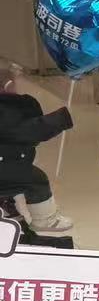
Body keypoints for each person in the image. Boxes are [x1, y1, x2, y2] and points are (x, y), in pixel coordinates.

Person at [0, 59, 74, 236]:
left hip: (7, 162)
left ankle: (6, 206)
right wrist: (60, 119)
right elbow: (30, 131)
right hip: (7, 167)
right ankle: (45, 219)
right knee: (37, 181)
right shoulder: (8, 110)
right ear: (8, 86)